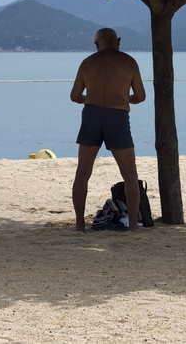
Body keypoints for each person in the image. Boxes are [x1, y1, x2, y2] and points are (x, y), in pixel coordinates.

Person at [70, 27, 147, 232]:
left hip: (91, 115)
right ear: (118, 41)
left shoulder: (87, 62)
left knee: (82, 173)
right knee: (130, 175)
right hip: (117, 117)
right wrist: (122, 98)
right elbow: (140, 96)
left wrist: (92, 99)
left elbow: (75, 96)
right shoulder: (129, 62)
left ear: (96, 45)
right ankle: (132, 225)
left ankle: (79, 224)